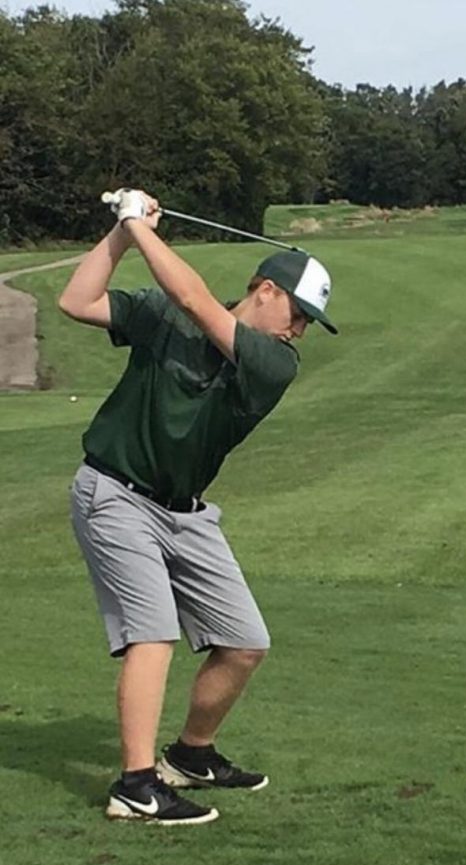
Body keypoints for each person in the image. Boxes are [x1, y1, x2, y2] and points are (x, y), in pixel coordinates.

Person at [59, 189, 337, 826]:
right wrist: (122, 237)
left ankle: (191, 754)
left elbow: (192, 297)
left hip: (186, 513)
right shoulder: (163, 317)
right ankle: (135, 784)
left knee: (244, 642)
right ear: (265, 288)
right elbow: (77, 301)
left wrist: (139, 225)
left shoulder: (273, 364)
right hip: (115, 493)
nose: (299, 331)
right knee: (152, 634)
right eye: (298, 313)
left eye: (307, 324)